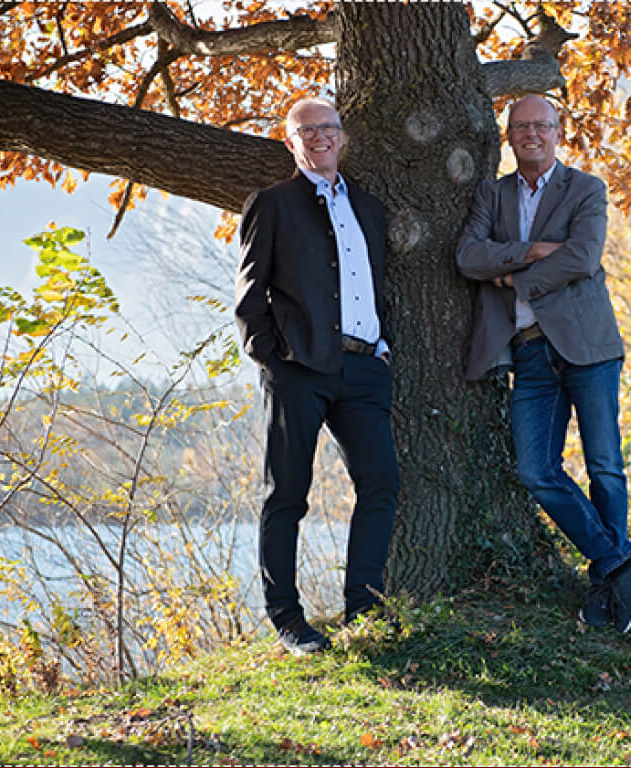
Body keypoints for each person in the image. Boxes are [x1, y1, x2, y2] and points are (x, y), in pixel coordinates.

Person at [455, 94, 631, 633]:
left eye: (541, 126)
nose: (531, 135)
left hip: (588, 346)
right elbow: (468, 256)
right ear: (509, 136)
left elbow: (583, 256)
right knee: (534, 470)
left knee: (605, 466)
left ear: (557, 131)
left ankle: (607, 588)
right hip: (529, 351)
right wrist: (533, 250)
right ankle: (617, 562)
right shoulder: (491, 194)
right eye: (521, 127)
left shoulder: (586, 188)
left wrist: (510, 273)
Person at [235, 96, 399, 655]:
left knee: (382, 484)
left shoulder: (371, 208)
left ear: (342, 136)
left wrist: (381, 351)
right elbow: (248, 298)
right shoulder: (272, 204)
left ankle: (365, 609)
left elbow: (379, 286)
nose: (320, 137)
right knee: (287, 494)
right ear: (291, 142)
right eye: (307, 130)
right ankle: (288, 621)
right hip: (297, 369)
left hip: (363, 368)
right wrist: (272, 362)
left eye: (328, 127)